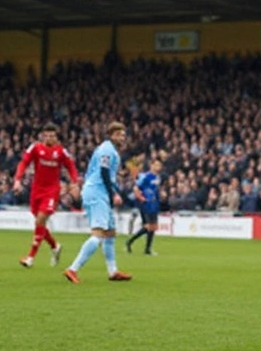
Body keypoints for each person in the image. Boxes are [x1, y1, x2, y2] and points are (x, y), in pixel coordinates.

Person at [65, 121, 132, 283]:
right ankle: (72, 268)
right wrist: (112, 195)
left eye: (123, 135)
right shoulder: (107, 149)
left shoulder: (110, 149)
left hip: (100, 192)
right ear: (110, 135)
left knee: (110, 233)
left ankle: (113, 271)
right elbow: (103, 172)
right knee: (98, 234)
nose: (122, 138)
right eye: (118, 134)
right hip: (96, 192)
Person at [14, 123, 78, 268]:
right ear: (43, 136)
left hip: (52, 190)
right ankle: (55, 246)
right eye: (47, 135)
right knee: (39, 222)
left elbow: (71, 166)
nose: (49, 138)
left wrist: (74, 182)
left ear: (56, 137)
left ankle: (30, 257)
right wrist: (17, 180)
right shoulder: (36, 148)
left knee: (41, 218)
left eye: (52, 136)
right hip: (36, 189)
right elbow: (24, 163)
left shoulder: (61, 151)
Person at [126, 158, 162, 255]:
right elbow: (136, 188)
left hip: (154, 204)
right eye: (157, 165)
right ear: (152, 165)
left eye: (159, 165)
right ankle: (146, 249)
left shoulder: (158, 177)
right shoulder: (145, 176)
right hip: (145, 204)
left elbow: (155, 190)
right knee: (149, 226)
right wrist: (141, 198)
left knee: (153, 227)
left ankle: (132, 242)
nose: (158, 167)